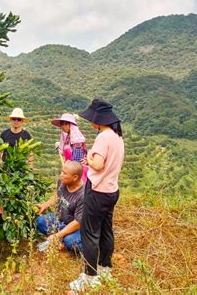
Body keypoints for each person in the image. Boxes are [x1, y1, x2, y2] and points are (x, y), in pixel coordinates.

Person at [69, 99, 124, 292]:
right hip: (111, 191)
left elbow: (98, 165)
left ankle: (89, 276)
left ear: (99, 119)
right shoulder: (117, 137)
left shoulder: (103, 137)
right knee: (106, 229)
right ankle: (105, 267)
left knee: (90, 233)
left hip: (98, 190)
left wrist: (89, 158)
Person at [35, 160, 85, 253]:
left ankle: (63, 240)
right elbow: (58, 194)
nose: (61, 175)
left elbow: (78, 223)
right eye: (61, 171)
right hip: (61, 222)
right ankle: (61, 240)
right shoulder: (63, 182)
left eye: (64, 173)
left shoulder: (83, 195)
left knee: (70, 241)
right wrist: (45, 205)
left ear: (75, 177)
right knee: (40, 222)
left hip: (76, 228)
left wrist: (57, 235)